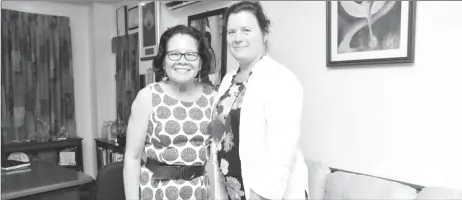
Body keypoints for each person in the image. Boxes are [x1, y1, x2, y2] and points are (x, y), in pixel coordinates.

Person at [210, 1, 309, 200]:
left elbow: (281, 155)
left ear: (264, 34)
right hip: (234, 192)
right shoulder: (229, 80)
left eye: (246, 30)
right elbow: (219, 130)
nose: (237, 38)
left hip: (266, 195)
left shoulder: (280, 79)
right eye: (231, 32)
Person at [123, 25, 216, 200]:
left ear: (201, 61)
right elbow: (132, 158)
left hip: (199, 193)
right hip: (156, 192)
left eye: (191, 54)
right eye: (174, 54)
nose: (182, 61)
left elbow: (214, 158)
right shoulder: (147, 97)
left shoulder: (214, 98)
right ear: (163, 61)